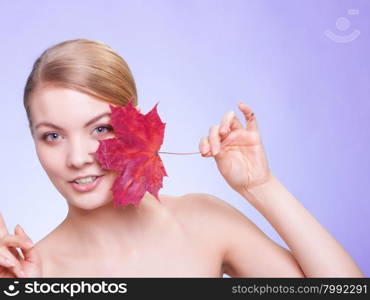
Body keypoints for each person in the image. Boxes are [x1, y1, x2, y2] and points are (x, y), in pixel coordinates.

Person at [0, 39, 364, 278]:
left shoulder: (202, 221)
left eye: (100, 129)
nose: (77, 158)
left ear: (135, 123)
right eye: (52, 136)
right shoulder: (33, 271)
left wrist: (262, 187)